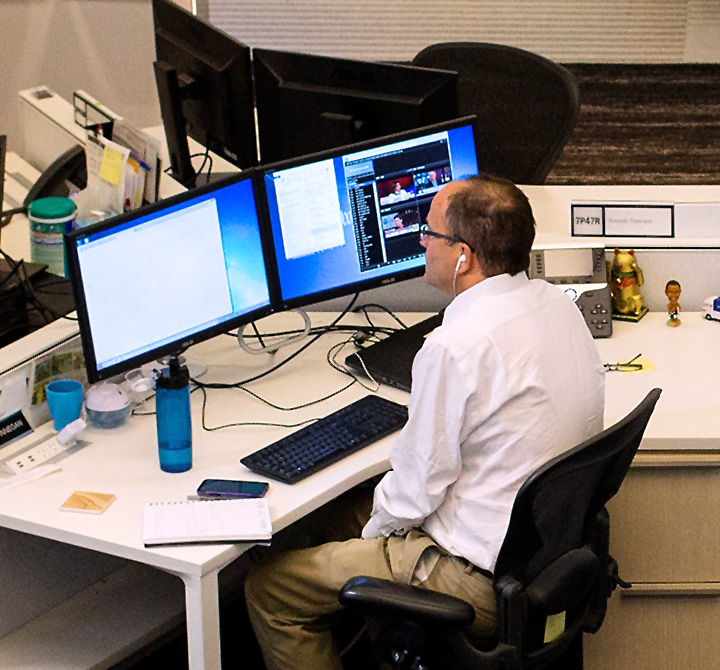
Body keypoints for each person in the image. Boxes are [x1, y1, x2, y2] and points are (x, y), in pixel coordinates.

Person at [244, 174, 605, 670]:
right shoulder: (556, 308)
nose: (420, 243)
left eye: (429, 233)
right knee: (320, 520)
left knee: (271, 589)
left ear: (464, 256)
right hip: (532, 558)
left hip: (471, 579)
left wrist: (374, 543)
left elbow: (415, 493)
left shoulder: (454, 347)